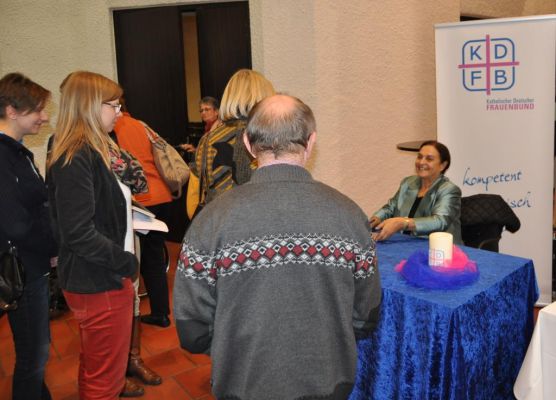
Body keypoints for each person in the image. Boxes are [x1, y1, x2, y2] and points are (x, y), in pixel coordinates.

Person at [174, 94, 381, 400]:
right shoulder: (350, 215)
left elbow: (192, 328)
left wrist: (232, 348)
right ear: (311, 142)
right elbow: (366, 316)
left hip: (242, 385)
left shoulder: (212, 219)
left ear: (247, 144)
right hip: (329, 383)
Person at [47, 71, 137, 399]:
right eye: (113, 105)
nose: (119, 113)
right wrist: (125, 262)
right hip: (98, 279)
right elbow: (79, 232)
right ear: (89, 105)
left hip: (95, 276)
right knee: (106, 380)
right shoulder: (76, 156)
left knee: (96, 365)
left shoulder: (84, 149)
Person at [0, 72, 56, 400]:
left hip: (31, 263)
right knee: (34, 356)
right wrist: (52, 246)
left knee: (35, 351)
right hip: (23, 269)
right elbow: (17, 223)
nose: (44, 117)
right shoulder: (3, 156)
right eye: (37, 110)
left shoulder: (16, 151)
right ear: (12, 111)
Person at [114, 100, 173, 330]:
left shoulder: (111, 130)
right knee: (154, 258)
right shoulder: (141, 125)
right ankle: (161, 312)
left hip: (140, 201)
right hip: (162, 194)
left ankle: (133, 318)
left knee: (136, 259)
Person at [186, 69, 275, 218]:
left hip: (219, 221)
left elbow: (194, 196)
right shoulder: (271, 137)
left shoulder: (207, 140)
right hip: (262, 221)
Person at [370, 140, 462, 243]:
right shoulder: (408, 183)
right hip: (406, 242)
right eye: (419, 157)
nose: (421, 162)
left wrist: (403, 223)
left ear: (443, 165)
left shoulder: (449, 190)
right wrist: (376, 218)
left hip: (440, 247)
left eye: (429, 159)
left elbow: (440, 221)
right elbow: (391, 208)